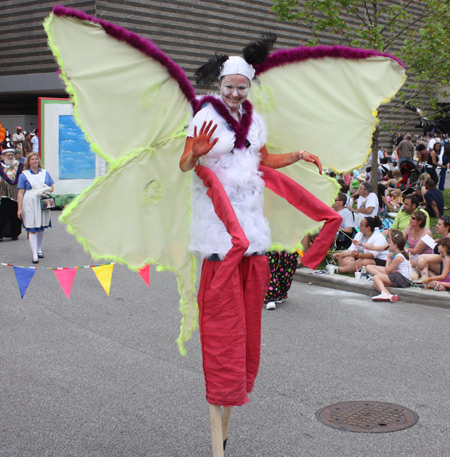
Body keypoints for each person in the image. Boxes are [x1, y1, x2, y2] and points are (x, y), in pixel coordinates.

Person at [179, 43, 326, 411]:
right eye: (229, 86)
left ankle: (240, 383)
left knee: (248, 317)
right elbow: (184, 164)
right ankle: (223, 386)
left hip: (252, 222)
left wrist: (297, 155)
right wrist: (195, 153)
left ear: (249, 87)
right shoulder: (203, 116)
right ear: (219, 84)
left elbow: (263, 159)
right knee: (221, 314)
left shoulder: (255, 120)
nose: (234, 93)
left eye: (241, 87)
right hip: (218, 225)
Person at [17, 152, 54, 263]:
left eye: (36, 159)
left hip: (42, 200)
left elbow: (52, 187)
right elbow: (20, 192)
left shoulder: (45, 173)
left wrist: (46, 189)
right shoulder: (24, 175)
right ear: (28, 162)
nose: (35, 161)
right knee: (32, 226)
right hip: (30, 201)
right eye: (32, 159)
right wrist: (19, 208)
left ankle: (38, 248)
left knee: (41, 226)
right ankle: (34, 254)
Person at [366, 230, 411, 302]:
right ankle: (389, 295)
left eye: (390, 243)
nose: (389, 245)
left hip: (402, 279)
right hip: (401, 278)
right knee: (375, 283)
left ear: (395, 245)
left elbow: (387, 271)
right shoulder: (400, 254)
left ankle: (384, 294)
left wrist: (388, 258)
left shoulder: (399, 257)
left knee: (376, 277)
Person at [0, 148, 23, 240]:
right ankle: (0, 234)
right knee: (2, 215)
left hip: (15, 194)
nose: (10, 157)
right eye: (8, 155)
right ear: (4, 156)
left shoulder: (19, 166)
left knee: (15, 215)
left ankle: (15, 233)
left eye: (11, 155)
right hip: (3, 194)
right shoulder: (1, 166)